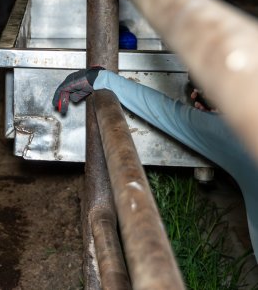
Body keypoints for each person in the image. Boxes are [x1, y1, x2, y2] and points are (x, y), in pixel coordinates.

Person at [52, 67, 257, 261]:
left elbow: (167, 113)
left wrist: (101, 78)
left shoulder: (237, 135)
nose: (193, 96)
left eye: (201, 89)